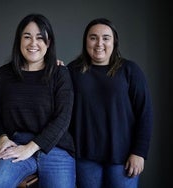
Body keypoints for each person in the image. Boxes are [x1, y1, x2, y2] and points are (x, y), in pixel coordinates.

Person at [0, 13, 75, 188]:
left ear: (48, 43)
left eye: (40, 38)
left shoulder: (60, 74)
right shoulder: (4, 74)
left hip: (55, 148)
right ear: (19, 40)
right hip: (15, 144)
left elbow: (63, 118)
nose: (33, 43)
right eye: (27, 37)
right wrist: (3, 139)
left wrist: (31, 148)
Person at [67, 18, 153, 188]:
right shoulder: (72, 71)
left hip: (123, 158)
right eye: (93, 37)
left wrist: (139, 152)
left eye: (106, 38)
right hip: (85, 157)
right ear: (86, 41)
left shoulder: (130, 70)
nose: (99, 43)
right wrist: (54, 70)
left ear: (114, 42)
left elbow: (145, 113)